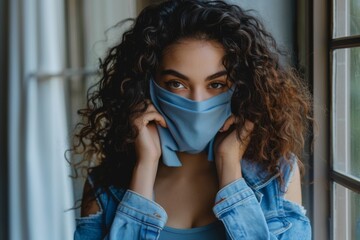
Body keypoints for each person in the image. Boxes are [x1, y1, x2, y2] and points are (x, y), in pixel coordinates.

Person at [72, 0, 312, 239]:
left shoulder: (277, 177)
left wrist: (229, 168)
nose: (197, 101)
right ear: (146, 86)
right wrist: (145, 168)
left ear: (241, 89)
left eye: (216, 84)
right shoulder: (103, 188)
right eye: (177, 84)